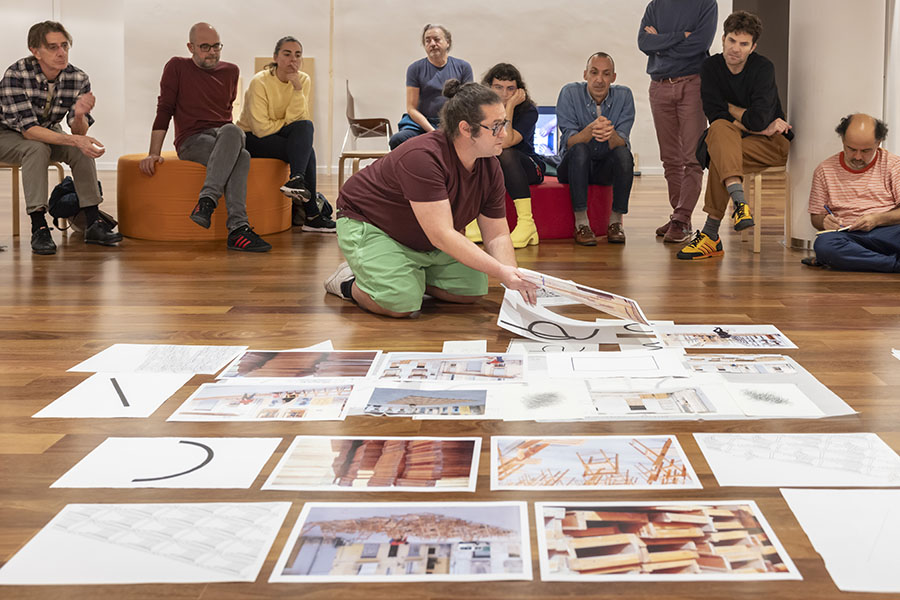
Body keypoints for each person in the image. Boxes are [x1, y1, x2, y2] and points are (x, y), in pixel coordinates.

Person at [324, 80, 537, 318]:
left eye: (504, 123)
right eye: (496, 126)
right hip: (371, 224)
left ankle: (403, 275)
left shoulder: (490, 165)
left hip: (423, 237)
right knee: (400, 303)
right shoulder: (423, 157)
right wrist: (500, 270)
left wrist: (511, 278)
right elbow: (442, 234)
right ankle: (348, 281)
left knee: (472, 290)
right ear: (466, 129)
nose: (505, 134)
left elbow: (497, 234)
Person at [139, 22, 271, 252]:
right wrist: (154, 153)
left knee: (232, 130)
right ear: (190, 47)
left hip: (225, 136)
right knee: (243, 157)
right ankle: (239, 230)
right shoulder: (177, 67)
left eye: (216, 46)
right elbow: (164, 110)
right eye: (205, 47)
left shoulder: (231, 71)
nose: (212, 52)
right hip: (192, 140)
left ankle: (206, 202)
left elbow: (226, 112)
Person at [678, 10, 792, 260]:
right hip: (736, 139)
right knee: (719, 131)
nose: (736, 49)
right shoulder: (711, 67)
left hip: (772, 144)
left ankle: (711, 236)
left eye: (743, 44)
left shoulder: (763, 68)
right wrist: (756, 124)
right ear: (723, 39)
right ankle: (739, 207)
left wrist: (730, 108)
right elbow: (713, 113)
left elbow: (757, 118)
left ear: (753, 47)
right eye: (732, 40)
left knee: (720, 147)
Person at [0, 21, 122, 255]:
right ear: (35, 51)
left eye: (64, 46)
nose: (61, 53)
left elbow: (79, 133)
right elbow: (29, 131)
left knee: (80, 149)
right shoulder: (16, 74)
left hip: (46, 130)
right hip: (7, 133)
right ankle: (39, 226)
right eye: (53, 47)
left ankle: (93, 222)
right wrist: (75, 139)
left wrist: (78, 115)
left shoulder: (78, 78)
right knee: (36, 149)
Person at [236, 36, 335, 232]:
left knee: (306, 127)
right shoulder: (260, 82)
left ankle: (296, 180)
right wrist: (285, 126)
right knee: (307, 151)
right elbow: (260, 128)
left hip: (277, 134)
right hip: (251, 139)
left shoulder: (302, 80)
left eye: (298, 55)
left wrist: (297, 89)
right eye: (287, 54)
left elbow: (300, 120)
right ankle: (312, 215)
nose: (293, 60)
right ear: (275, 57)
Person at [638, 0, 717, 243]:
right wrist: (680, 36)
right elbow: (643, 42)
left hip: (692, 84)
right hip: (659, 86)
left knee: (692, 158)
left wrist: (660, 42)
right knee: (670, 159)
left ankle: (682, 218)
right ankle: (679, 217)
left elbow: (700, 44)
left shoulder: (706, 4)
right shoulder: (656, 5)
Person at [556, 52, 635, 246]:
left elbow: (622, 141)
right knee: (580, 149)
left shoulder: (624, 95)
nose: (599, 79)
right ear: (585, 75)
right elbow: (569, 142)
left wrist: (610, 133)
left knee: (624, 154)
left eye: (606, 74)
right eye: (594, 72)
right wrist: (590, 130)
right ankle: (581, 224)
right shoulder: (569, 92)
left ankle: (616, 223)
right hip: (572, 166)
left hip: (603, 168)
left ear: (613, 77)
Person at [805, 114, 900, 272]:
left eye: (866, 151)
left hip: (887, 230)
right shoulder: (824, 170)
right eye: (851, 149)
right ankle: (894, 264)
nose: (857, 157)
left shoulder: (893, 165)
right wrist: (824, 221)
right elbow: (816, 216)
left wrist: (877, 219)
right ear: (843, 140)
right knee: (824, 245)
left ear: (879, 142)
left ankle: (869, 260)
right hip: (850, 235)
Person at [465, 63, 545, 249]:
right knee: (475, 153)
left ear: (519, 91)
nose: (504, 93)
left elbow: (506, 140)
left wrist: (508, 107)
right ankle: (471, 220)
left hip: (529, 166)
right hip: (495, 164)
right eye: (498, 87)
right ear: (489, 88)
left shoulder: (528, 111)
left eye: (510, 89)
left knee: (506, 153)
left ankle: (527, 223)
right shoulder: (481, 110)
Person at [388, 24, 473, 150]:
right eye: (427, 41)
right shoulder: (415, 69)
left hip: (452, 123)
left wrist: (448, 128)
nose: (432, 43)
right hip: (421, 125)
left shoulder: (463, 67)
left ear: (447, 42)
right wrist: (432, 131)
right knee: (397, 140)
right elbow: (411, 108)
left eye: (437, 39)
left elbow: (468, 103)